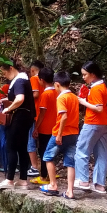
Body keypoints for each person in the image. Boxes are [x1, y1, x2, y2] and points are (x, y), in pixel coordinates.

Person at [74, 62, 107, 194]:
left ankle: (83, 180)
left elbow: (98, 108)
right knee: (102, 154)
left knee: (81, 149)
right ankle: (99, 184)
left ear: (93, 74)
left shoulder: (97, 88)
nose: (83, 77)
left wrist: (83, 101)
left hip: (93, 123)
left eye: (85, 74)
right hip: (106, 123)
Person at [0, 59, 35, 189]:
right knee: (22, 148)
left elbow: (20, 99)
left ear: (11, 68)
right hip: (27, 116)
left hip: (20, 117)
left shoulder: (19, 80)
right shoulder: (23, 80)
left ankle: (9, 179)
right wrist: (4, 100)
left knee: (11, 146)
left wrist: (8, 108)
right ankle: (23, 179)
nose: (5, 76)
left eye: (5, 73)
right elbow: (18, 97)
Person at [40, 71, 80, 199]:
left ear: (57, 84)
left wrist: (59, 134)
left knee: (47, 157)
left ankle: (53, 185)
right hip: (74, 133)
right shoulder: (74, 97)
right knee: (70, 162)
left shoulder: (61, 98)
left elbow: (64, 117)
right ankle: (70, 191)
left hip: (61, 132)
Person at [32, 68, 57, 185]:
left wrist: (36, 127)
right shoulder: (57, 92)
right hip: (55, 127)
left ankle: (43, 176)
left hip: (45, 128)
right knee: (51, 151)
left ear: (41, 80)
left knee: (43, 152)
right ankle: (49, 173)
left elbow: (42, 113)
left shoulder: (45, 94)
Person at [27, 61, 45, 178]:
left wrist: (24, 97)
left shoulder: (34, 78)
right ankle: (43, 167)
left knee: (31, 140)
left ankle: (34, 166)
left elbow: (36, 94)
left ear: (32, 70)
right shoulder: (46, 80)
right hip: (43, 113)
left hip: (35, 113)